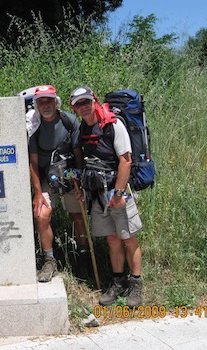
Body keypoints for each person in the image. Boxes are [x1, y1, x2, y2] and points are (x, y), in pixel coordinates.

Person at [69, 86, 143, 307]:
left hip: (117, 191)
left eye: (86, 101)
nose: (83, 107)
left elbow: (126, 160)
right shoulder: (83, 128)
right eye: (78, 104)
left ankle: (136, 285)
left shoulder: (113, 124)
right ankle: (118, 282)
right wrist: (81, 185)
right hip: (96, 194)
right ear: (74, 108)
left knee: (129, 239)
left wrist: (119, 193)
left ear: (94, 100)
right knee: (112, 240)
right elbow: (85, 159)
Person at [27, 85, 87, 282]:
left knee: (77, 216)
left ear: (56, 102)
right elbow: (33, 163)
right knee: (42, 215)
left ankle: (82, 256)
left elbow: (78, 152)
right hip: (46, 176)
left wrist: (78, 179)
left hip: (69, 173)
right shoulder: (33, 127)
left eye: (49, 100)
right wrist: (37, 193)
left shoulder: (69, 121)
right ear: (36, 104)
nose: (45, 105)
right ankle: (49, 260)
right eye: (41, 101)